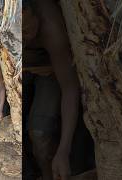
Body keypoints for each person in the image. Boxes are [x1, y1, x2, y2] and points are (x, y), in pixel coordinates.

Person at [24, 0, 80, 180]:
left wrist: (64, 151)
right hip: (18, 69)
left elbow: (70, 88)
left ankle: (51, 173)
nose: (23, 38)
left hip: (49, 71)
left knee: (40, 133)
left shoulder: (51, 28)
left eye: (26, 30)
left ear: (34, 14)